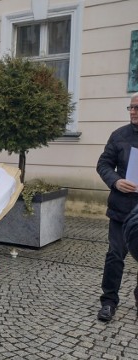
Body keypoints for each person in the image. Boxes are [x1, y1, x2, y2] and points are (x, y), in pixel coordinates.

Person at [95, 92, 138, 322]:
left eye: (136, 108)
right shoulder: (119, 136)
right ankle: (109, 301)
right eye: (130, 108)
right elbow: (103, 164)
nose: (132, 112)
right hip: (122, 209)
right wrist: (115, 181)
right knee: (114, 256)